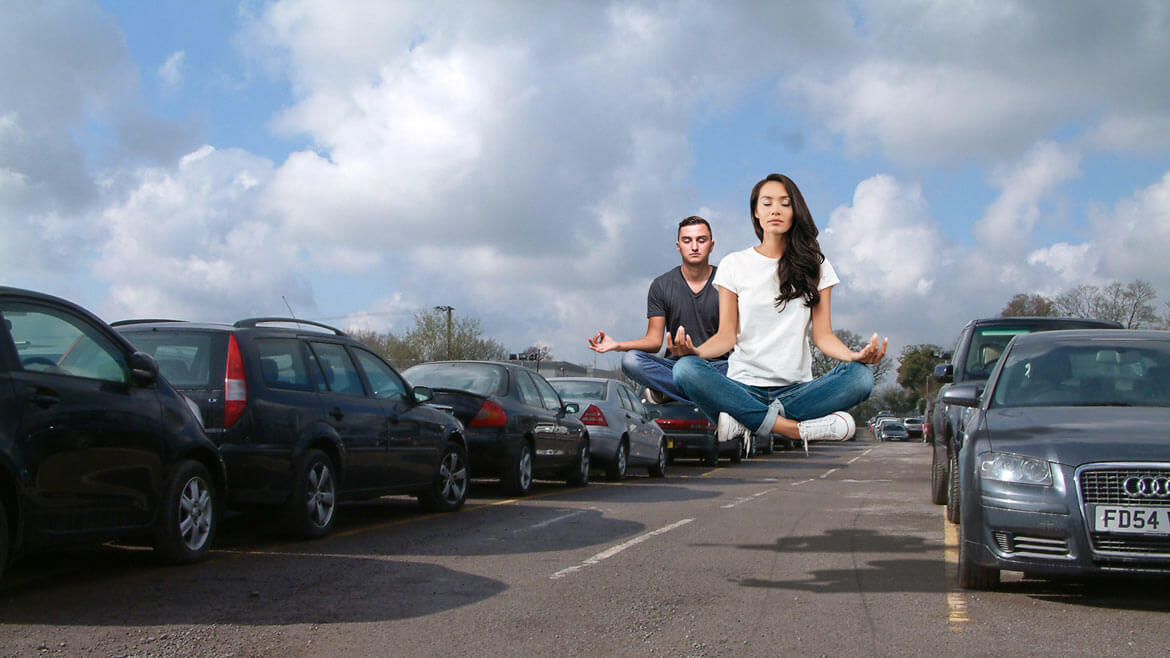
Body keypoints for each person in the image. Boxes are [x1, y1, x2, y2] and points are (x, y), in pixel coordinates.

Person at [668, 174, 886, 445]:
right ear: (756, 213)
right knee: (685, 369)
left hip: (798, 392)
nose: (775, 210)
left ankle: (746, 419)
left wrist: (856, 356)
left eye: (785, 203)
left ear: (795, 212)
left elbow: (823, 336)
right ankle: (794, 430)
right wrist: (696, 352)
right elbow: (727, 335)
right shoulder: (734, 264)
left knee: (861, 378)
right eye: (767, 203)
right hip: (742, 388)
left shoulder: (816, 265)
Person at [588, 216, 730, 403]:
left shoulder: (728, 282)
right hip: (677, 367)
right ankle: (707, 392)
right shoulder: (662, 285)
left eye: (701, 240)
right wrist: (618, 346)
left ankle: (675, 391)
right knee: (631, 361)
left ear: (711, 245)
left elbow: (734, 335)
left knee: (748, 369)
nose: (694, 247)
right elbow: (654, 341)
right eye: (687, 241)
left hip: (720, 368)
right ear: (678, 246)